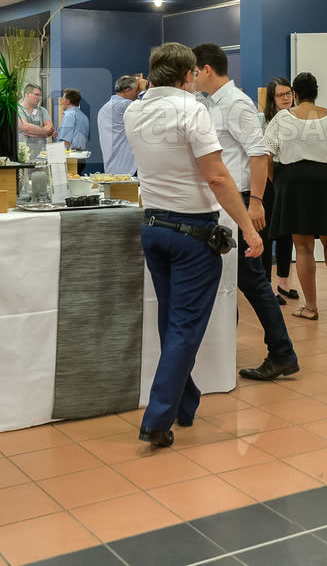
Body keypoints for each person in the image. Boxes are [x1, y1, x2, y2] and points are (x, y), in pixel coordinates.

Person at [125, 42, 262, 448]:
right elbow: (217, 176)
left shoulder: (135, 110)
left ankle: (185, 404)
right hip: (192, 233)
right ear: (189, 76)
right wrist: (249, 230)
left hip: (153, 227)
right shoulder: (191, 109)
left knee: (171, 321)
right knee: (185, 326)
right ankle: (158, 416)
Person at [193, 45, 298, 382]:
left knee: (252, 280)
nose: (192, 78)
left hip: (238, 200)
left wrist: (255, 202)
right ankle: (228, 347)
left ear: (207, 69)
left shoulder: (236, 103)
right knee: (231, 279)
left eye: (194, 71)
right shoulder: (208, 103)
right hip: (220, 201)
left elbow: (259, 154)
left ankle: (282, 353)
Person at [263, 72, 327, 321]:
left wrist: (279, 182)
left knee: (304, 246)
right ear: (316, 92)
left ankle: (311, 306)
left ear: (294, 94)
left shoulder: (282, 119)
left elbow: (265, 154)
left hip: (294, 184)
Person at [260, 78, 296, 302]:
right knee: (266, 234)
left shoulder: (298, 118)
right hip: (267, 177)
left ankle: (284, 283)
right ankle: (266, 286)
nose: (286, 98)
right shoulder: (261, 120)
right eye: (281, 95)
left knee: (286, 232)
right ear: (272, 99)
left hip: (289, 177)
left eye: (289, 94)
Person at [98, 76, 140, 175]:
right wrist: (145, 89)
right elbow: (150, 107)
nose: (138, 93)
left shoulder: (105, 108)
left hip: (113, 166)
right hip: (128, 168)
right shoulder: (125, 105)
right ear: (127, 90)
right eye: (137, 90)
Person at [17, 83, 55, 158]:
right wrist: (44, 132)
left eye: (40, 95)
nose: (39, 98)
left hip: (40, 156)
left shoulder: (42, 110)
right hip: (22, 156)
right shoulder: (18, 109)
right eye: (36, 95)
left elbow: (50, 129)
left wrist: (32, 132)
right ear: (27, 94)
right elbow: (25, 127)